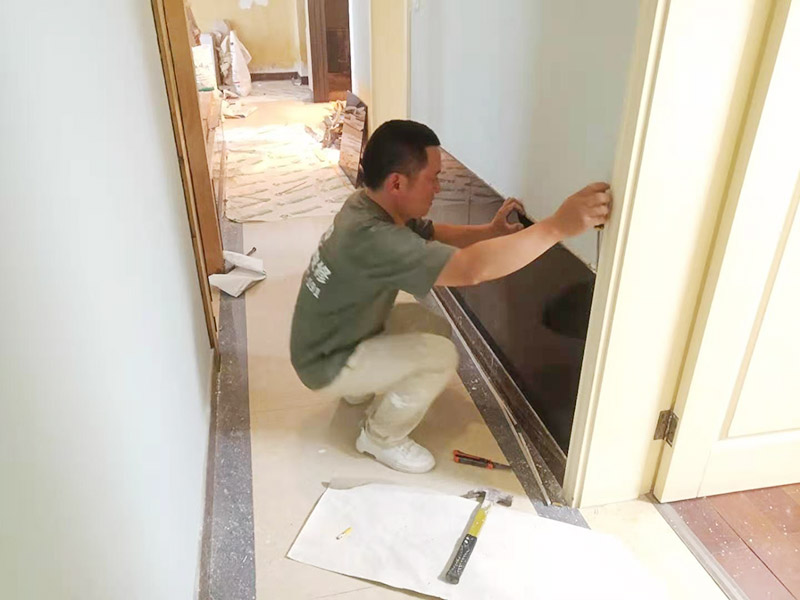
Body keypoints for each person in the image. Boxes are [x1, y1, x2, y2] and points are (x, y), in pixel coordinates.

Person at [290, 120, 611, 474]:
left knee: (432, 327)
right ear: (397, 183)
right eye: (433, 178)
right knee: (440, 356)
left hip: (330, 336)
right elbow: (471, 270)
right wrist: (557, 226)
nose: (439, 188)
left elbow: (432, 233)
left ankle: (357, 389)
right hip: (324, 362)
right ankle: (379, 438)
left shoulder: (367, 205)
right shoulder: (376, 239)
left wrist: (489, 232)